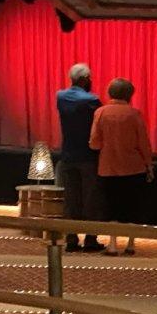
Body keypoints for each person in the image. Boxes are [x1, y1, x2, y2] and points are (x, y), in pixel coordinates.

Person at [89, 77, 154, 256]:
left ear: (110, 92)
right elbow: (143, 143)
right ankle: (131, 244)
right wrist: (149, 164)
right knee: (132, 206)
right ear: (130, 95)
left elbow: (94, 143)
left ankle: (112, 245)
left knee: (111, 207)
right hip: (134, 167)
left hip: (108, 167)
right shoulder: (134, 114)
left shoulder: (101, 112)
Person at [56, 63, 105, 253]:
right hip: (88, 156)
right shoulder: (92, 100)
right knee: (91, 199)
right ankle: (90, 240)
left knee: (71, 199)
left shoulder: (60, 97)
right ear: (85, 79)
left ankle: (71, 239)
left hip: (68, 155)